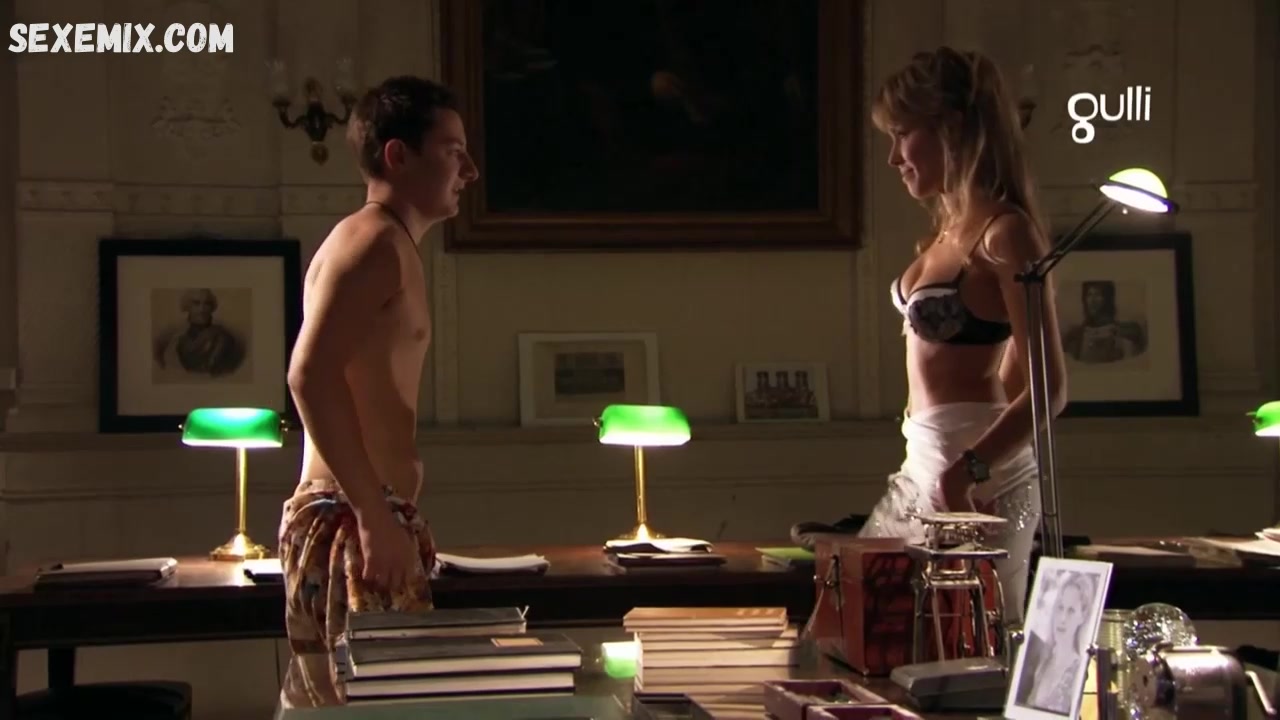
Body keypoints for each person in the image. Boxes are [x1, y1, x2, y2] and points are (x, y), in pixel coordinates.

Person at [855, 47, 1068, 627]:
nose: (894, 157)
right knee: (859, 622)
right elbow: (1008, 372)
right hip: (922, 464)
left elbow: (1048, 388)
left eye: (902, 135)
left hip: (975, 482)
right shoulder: (949, 233)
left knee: (975, 641)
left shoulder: (1007, 233)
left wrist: (969, 471)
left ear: (951, 129)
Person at [277, 75, 480, 658]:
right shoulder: (372, 245)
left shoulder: (386, 244)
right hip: (350, 518)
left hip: (367, 515)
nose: (469, 172)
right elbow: (308, 375)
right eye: (453, 152)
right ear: (398, 155)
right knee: (365, 698)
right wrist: (371, 515)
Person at [1014, 571, 1095, 712]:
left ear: (1082, 616)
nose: (1062, 618)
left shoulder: (1077, 670)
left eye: (1071, 611)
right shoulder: (1043, 659)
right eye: (1060, 607)